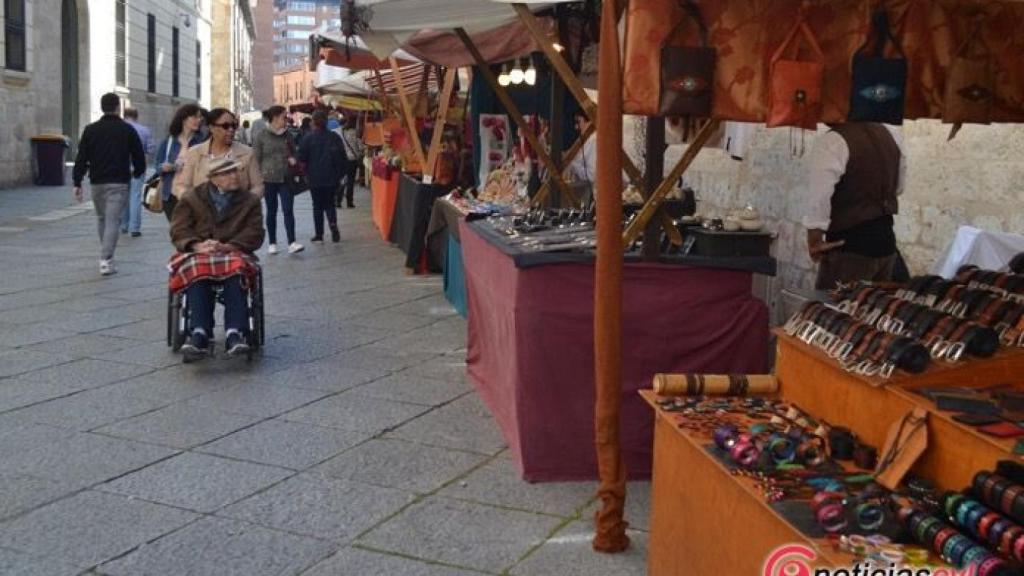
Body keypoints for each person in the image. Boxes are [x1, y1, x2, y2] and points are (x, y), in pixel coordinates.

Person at [169, 158, 264, 361]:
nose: (234, 176)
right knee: (196, 271)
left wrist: (229, 246)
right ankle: (199, 332)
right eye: (227, 173)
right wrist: (196, 245)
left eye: (235, 172)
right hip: (200, 250)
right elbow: (179, 229)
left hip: (234, 249)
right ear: (214, 179)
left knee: (237, 270)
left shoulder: (249, 200)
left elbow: (255, 232)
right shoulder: (192, 198)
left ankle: (235, 332)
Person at [804, 122, 906, 290]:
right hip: (886, 243)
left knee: (834, 312)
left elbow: (819, 197)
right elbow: (899, 188)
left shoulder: (833, 140)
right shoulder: (891, 134)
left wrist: (814, 240)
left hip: (848, 248)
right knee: (872, 312)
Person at [72, 92, 146, 276]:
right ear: (117, 107)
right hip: (119, 181)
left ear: (102, 107)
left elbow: (81, 157)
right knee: (113, 220)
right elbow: (138, 155)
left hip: (97, 181)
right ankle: (106, 259)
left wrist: (77, 181)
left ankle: (107, 255)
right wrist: (137, 172)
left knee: (102, 218)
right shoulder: (127, 130)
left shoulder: (90, 130)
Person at [173, 108, 264, 200]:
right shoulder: (195, 153)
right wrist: (193, 203)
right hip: (202, 212)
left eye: (234, 125)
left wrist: (246, 204)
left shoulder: (247, 153)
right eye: (225, 126)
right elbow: (182, 186)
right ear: (211, 128)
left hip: (238, 212)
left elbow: (258, 186)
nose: (231, 129)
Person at [253, 105, 303, 255]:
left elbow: (295, 151)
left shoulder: (287, 135)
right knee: (271, 211)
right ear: (274, 118)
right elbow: (256, 158)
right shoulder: (261, 135)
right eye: (284, 116)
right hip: (268, 179)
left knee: (288, 209)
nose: (286, 119)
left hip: (286, 178)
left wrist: (294, 158)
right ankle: (272, 242)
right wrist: (258, 179)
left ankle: (292, 242)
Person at [296, 109, 346, 243]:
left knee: (317, 205)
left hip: (315, 177)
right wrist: (339, 175)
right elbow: (342, 157)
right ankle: (333, 224)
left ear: (313, 122)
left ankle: (319, 234)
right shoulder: (334, 137)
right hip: (331, 177)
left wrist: (304, 174)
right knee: (330, 204)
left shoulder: (308, 138)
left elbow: (301, 157)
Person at [154, 104, 205, 222]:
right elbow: (158, 166)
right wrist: (165, 168)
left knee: (191, 233)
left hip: (194, 196)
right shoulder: (169, 141)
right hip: (171, 196)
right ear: (184, 119)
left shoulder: (201, 142)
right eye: (195, 117)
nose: (199, 120)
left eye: (200, 117)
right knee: (178, 233)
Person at [120, 107, 154, 237]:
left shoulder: (119, 129)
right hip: (138, 166)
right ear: (136, 116)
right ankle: (134, 228)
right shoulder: (144, 130)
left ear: (124, 115)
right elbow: (150, 149)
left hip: (121, 167)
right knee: (135, 196)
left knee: (123, 196)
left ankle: (124, 225)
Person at [336, 115, 363, 208]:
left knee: (343, 180)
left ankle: (338, 200)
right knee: (350, 181)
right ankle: (349, 202)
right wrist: (360, 153)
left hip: (342, 160)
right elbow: (360, 147)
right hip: (352, 160)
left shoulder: (341, 132)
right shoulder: (355, 133)